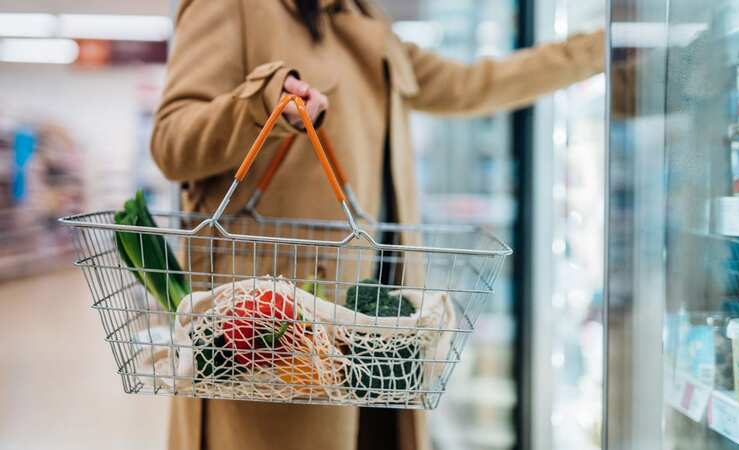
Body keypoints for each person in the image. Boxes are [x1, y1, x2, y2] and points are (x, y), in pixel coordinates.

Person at [150, 1, 604, 449]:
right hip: (271, 343)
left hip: (374, 332)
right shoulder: (231, 7)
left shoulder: (364, 16)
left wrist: (600, 49)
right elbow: (172, 142)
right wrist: (262, 101)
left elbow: (470, 85)